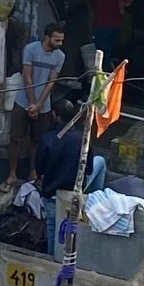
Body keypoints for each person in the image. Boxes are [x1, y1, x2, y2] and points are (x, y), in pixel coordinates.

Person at [34, 92, 108, 253]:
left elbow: (39, 169)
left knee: (53, 227)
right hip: (74, 190)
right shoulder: (83, 139)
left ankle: (53, 256)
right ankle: (94, 201)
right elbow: (88, 169)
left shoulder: (48, 139)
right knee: (100, 162)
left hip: (53, 195)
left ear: (56, 116)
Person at [7, 18, 65, 185]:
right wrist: (32, 102)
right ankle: (12, 173)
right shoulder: (30, 49)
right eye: (57, 40)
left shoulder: (60, 56)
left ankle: (33, 170)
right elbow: (27, 76)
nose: (60, 43)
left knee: (37, 141)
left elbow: (51, 82)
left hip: (43, 106)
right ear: (47, 38)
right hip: (22, 101)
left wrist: (39, 105)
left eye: (61, 40)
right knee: (16, 139)